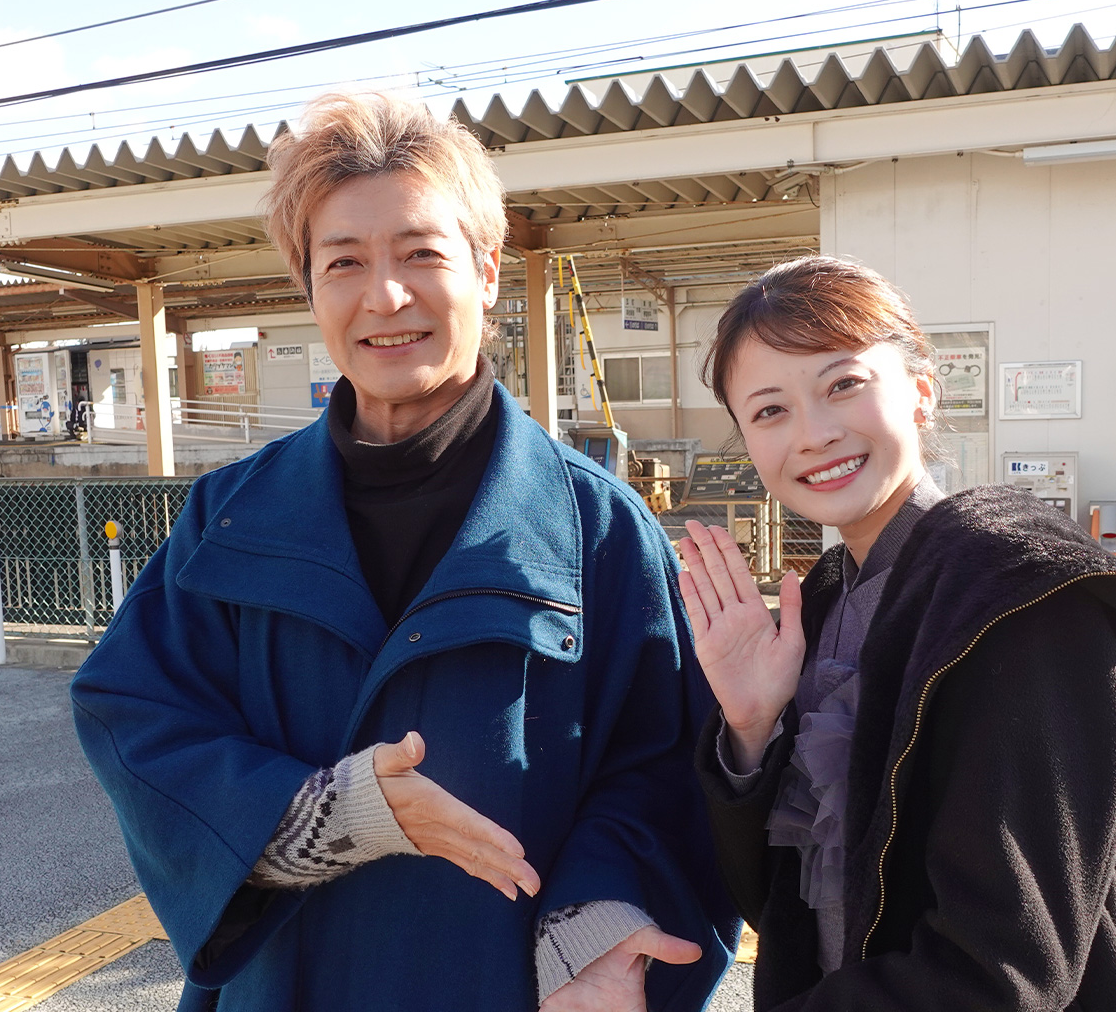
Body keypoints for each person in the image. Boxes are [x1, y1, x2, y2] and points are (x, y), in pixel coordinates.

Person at [69, 92, 735, 1012]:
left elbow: (663, 771)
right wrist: (324, 815)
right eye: (345, 262)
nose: (385, 296)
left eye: (422, 253)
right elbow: (132, 713)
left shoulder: (601, 531)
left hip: (506, 982)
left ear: (489, 270)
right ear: (311, 289)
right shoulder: (232, 514)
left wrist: (597, 928)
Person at [676, 256, 1116, 1010]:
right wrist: (750, 728)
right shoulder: (819, 606)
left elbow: (1004, 967)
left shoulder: (1026, 602)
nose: (812, 435)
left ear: (919, 388)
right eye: (769, 410)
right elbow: (785, 907)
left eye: (842, 384)